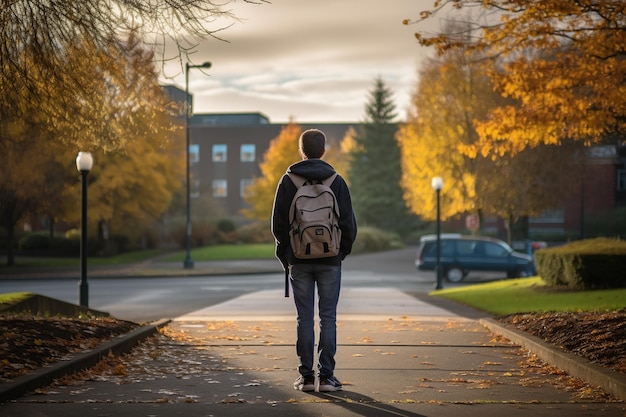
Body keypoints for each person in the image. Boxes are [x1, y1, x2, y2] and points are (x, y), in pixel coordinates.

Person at [271, 128, 357, 392]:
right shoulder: (337, 181)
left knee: (304, 319)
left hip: (299, 258)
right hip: (330, 259)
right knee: (328, 318)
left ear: (301, 151)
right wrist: (339, 253)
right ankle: (327, 378)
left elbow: (278, 225)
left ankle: (307, 377)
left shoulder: (288, 181)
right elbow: (349, 225)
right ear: (323, 151)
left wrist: (287, 256)